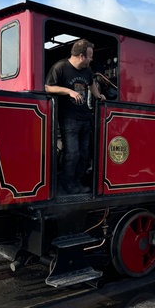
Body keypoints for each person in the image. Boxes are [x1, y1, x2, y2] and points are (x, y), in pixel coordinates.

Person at [45, 39, 106, 194]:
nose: (91, 59)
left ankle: (77, 184)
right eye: (90, 56)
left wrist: (99, 96)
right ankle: (67, 185)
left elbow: (91, 84)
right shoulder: (60, 67)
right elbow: (48, 87)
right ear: (81, 56)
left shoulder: (87, 71)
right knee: (72, 153)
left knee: (85, 154)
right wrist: (69, 91)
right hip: (68, 118)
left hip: (85, 117)